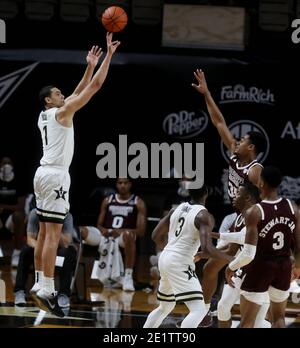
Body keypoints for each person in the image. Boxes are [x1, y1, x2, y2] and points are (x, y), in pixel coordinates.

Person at [32, 33, 120, 317]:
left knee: (46, 231)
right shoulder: (62, 113)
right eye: (58, 93)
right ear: (49, 99)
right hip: (56, 176)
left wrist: (89, 64)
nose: (63, 95)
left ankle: (38, 283)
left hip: (41, 173)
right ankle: (47, 288)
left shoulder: (46, 115)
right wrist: (108, 56)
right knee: (52, 236)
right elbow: (93, 88)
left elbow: (78, 90)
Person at [143, 185, 233, 328]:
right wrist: (230, 259)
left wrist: (171, 252)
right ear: (206, 194)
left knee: (164, 307)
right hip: (179, 262)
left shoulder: (175, 209)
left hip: (165, 257)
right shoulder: (203, 215)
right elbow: (208, 249)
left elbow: (155, 235)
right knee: (199, 310)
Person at [225, 166, 300, 328]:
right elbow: (299, 243)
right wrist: (297, 267)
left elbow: (248, 253)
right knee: (278, 318)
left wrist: (231, 267)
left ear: (261, 183)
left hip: (261, 267)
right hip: (283, 266)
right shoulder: (293, 207)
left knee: (247, 322)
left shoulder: (255, 212)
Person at [191, 69, 266, 200]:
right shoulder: (234, 155)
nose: (237, 142)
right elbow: (219, 122)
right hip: (236, 214)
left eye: (243, 140)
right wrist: (206, 94)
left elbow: (262, 202)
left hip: (248, 216)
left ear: (251, 147)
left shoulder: (255, 171)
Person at [14, 209, 77, 309]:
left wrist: (53, 226)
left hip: (59, 250)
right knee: (25, 251)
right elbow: (30, 239)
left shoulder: (67, 215)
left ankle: (63, 295)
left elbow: (66, 242)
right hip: (41, 249)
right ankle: (19, 291)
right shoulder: (35, 213)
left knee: (68, 252)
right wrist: (44, 251)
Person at [97, 177, 147, 291]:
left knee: (128, 235)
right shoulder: (108, 200)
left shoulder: (137, 202)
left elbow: (141, 231)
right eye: (120, 183)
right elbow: (99, 225)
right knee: (82, 232)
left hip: (123, 237)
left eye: (125, 183)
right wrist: (104, 230)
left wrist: (120, 231)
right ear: (116, 184)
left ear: (130, 184)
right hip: (107, 236)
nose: (123, 185)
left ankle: (128, 277)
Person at [0, 156, 26, 267]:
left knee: (19, 216)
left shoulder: (18, 181)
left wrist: (3, 206)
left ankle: (16, 253)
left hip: (11, 218)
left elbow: (21, 206)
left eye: (9, 163)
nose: (6, 165)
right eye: (4, 163)